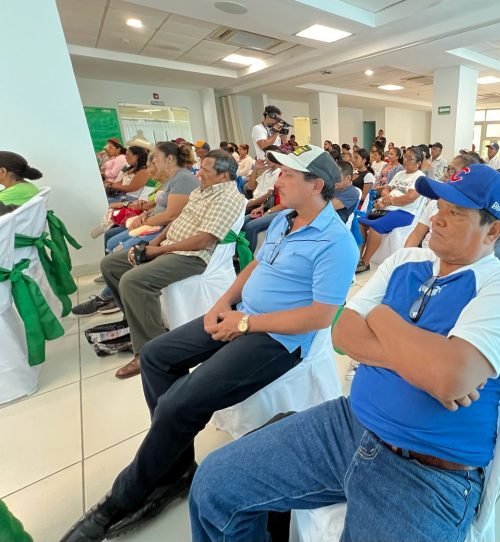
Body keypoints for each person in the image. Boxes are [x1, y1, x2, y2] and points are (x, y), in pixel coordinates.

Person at [188, 163, 500, 542]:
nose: (437, 219)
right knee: (214, 484)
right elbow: (342, 333)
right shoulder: (406, 261)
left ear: (494, 230)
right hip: (348, 424)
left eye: (456, 213)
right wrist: (424, 363)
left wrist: (383, 318)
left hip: (427, 470)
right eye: (439, 207)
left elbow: (450, 377)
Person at [61, 145, 357, 542]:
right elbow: (255, 265)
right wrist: (223, 303)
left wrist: (247, 323)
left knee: (179, 403)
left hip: (277, 338)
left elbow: (322, 315)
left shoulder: (337, 243)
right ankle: (176, 469)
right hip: (242, 314)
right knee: (156, 356)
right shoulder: (287, 219)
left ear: (316, 184)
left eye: (287, 174)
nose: (277, 179)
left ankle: (125, 496)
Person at [97, 149, 245, 380]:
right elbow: (178, 221)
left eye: (205, 171)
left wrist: (158, 250)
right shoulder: (201, 191)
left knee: (134, 281)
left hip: (193, 256)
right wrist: (151, 245)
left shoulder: (228, 197)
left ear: (224, 176)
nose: (199, 174)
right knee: (111, 265)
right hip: (171, 245)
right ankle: (138, 323)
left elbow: (204, 240)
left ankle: (149, 350)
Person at [72, 143, 200, 317]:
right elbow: (158, 205)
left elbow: (172, 215)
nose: (152, 161)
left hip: (166, 229)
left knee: (122, 248)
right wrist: (144, 215)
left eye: (156, 158)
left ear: (169, 159)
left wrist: (144, 221)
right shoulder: (171, 179)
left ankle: (108, 296)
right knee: (110, 238)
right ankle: (112, 288)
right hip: (155, 224)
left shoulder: (183, 179)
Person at [356, 146, 425, 274]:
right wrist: (386, 197)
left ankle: (365, 262)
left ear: (419, 163)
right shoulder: (400, 173)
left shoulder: (419, 177)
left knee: (376, 226)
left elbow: (410, 197)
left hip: (405, 213)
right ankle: (358, 257)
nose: (406, 160)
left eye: (411, 159)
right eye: (405, 157)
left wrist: (390, 201)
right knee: (361, 221)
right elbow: (386, 188)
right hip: (388, 208)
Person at [405, 153, 484, 250]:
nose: (446, 174)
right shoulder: (434, 203)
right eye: (448, 169)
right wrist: (404, 257)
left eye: (453, 171)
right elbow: (416, 235)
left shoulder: (467, 212)